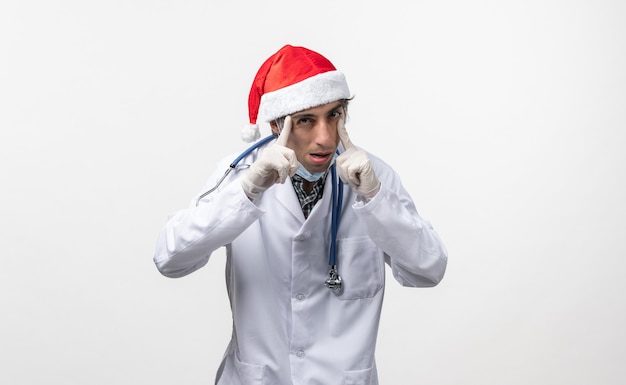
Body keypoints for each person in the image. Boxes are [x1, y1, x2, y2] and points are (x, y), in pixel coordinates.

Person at [154, 44, 448, 385]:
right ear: (278, 123)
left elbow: (429, 269)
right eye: (306, 120)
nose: (324, 137)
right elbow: (169, 259)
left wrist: (375, 198)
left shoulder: (373, 176)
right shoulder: (240, 173)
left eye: (334, 115)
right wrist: (247, 190)